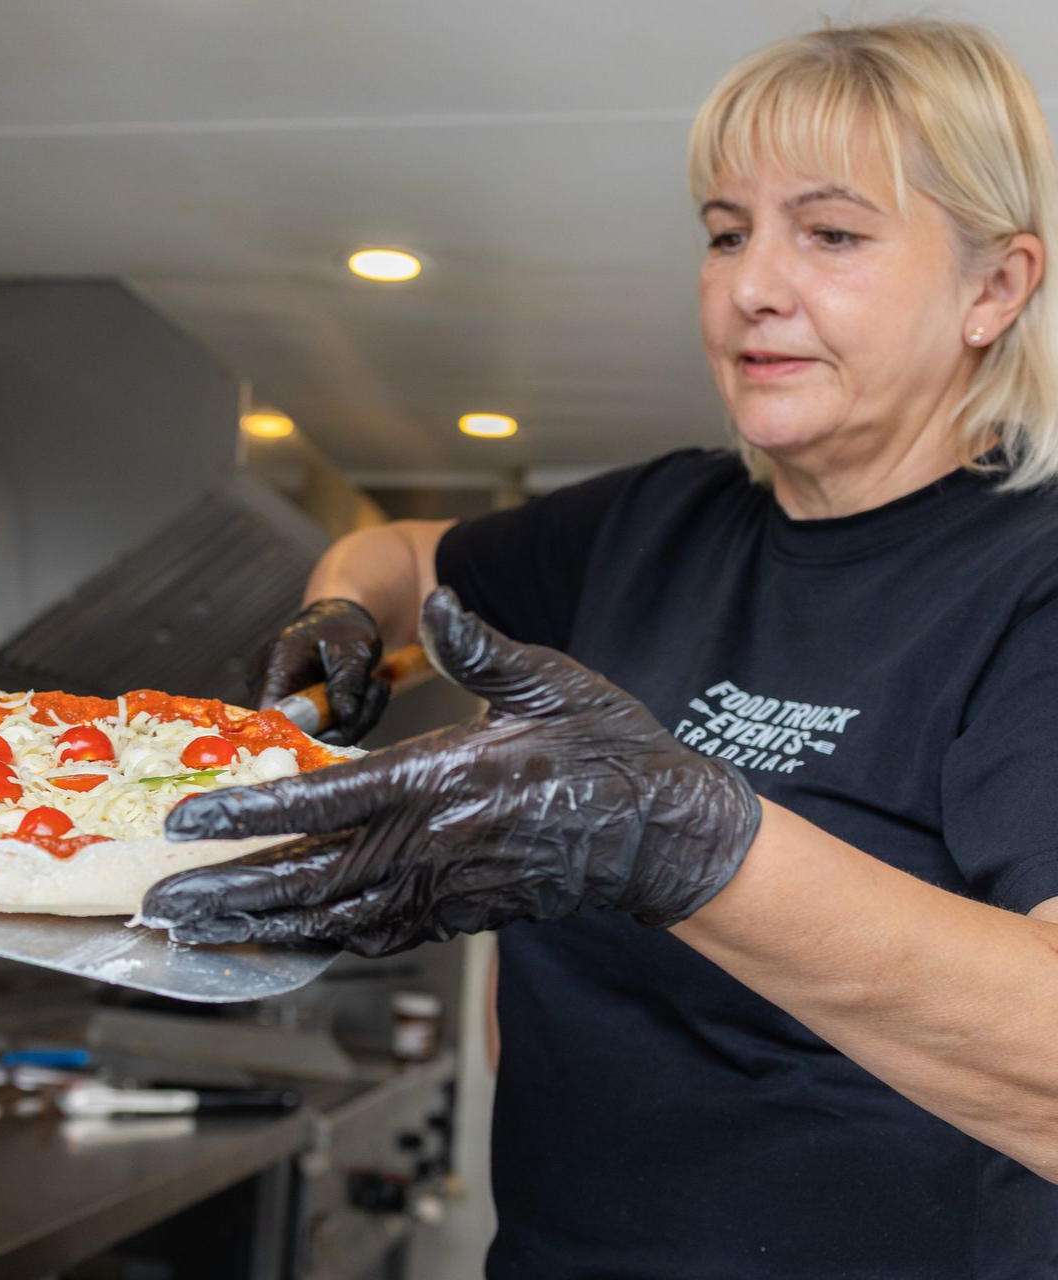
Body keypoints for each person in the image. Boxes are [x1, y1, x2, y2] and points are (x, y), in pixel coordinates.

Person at [144, 19, 1058, 1278]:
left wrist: (682, 844)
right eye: (726, 231)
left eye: (831, 234)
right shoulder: (653, 519)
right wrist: (344, 609)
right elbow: (411, 556)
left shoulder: (1032, 577)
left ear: (994, 288)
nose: (751, 286)